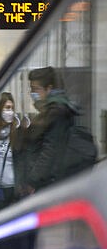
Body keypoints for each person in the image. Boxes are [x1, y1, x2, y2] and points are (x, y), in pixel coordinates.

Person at [21, 66, 80, 195]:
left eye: (36, 89)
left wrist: (33, 181)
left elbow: (49, 150)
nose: (33, 94)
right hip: (47, 182)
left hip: (48, 184)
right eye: (31, 89)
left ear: (49, 89)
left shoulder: (56, 112)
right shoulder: (51, 110)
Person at [0, 92, 21, 212]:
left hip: (13, 188)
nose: (10, 111)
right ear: (0, 109)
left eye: (12, 108)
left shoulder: (17, 131)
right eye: (7, 108)